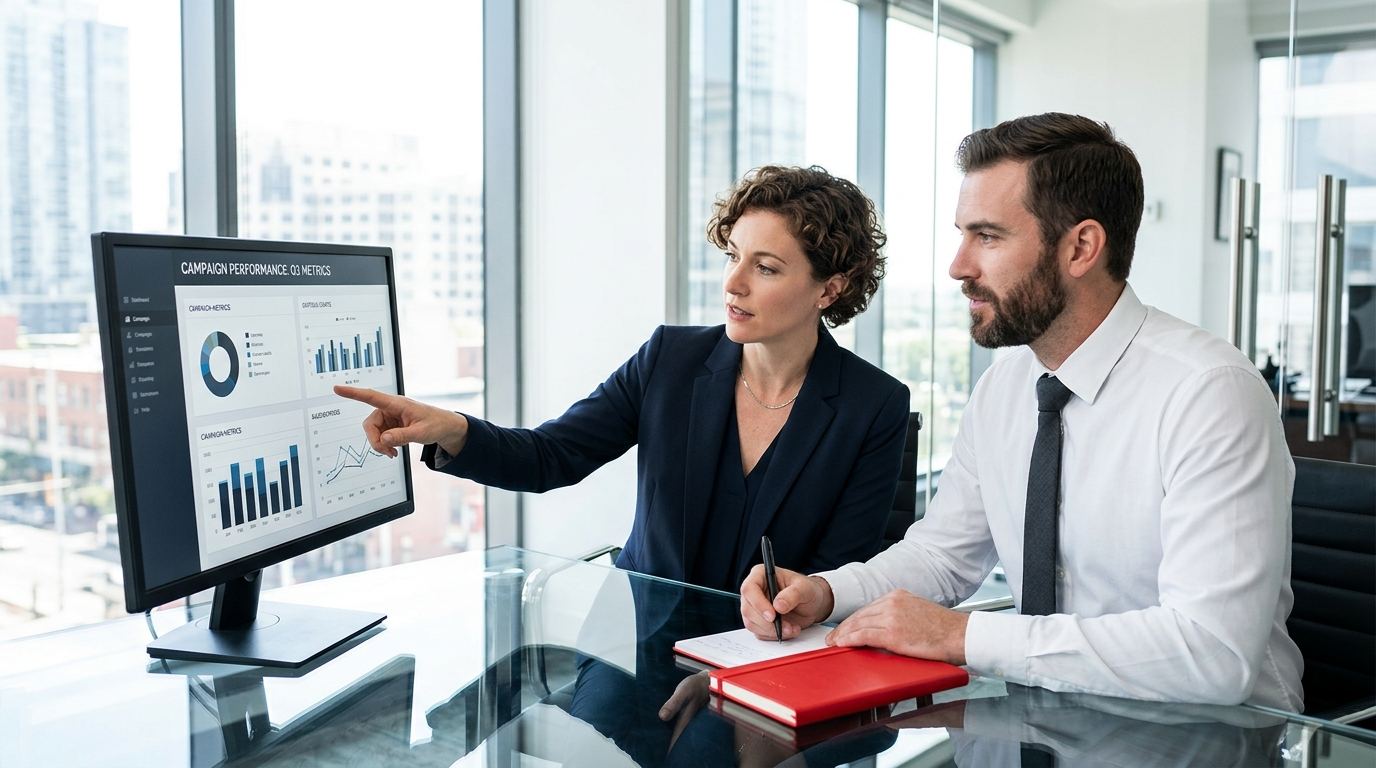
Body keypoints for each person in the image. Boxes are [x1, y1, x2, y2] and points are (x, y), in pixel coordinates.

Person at [741, 113, 1304, 711]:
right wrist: (827, 592)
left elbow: (1211, 655)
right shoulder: (1005, 387)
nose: (958, 266)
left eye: (987, 236)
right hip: (1047, 719)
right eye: (962, 235)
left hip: (1210, 738)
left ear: (1081, 247)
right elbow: (944, 555)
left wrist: (961, 636)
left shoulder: (1209, 393)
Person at [337, 164, 910, 593]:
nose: (733, 283)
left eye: (765, 268)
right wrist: (454, 429)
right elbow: (549, 456)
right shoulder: (670, 359)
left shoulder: (873, 405)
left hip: (772, 661)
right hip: (638, 648)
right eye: (732, 255)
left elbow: (846, 577)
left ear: (829, 288)